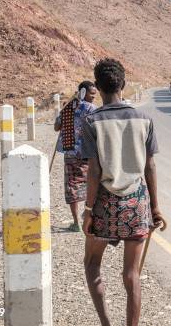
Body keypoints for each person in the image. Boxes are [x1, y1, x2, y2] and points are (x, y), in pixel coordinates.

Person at [80, 58, 164, 326]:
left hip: (104, 205)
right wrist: (155, 208)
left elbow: (93, 172)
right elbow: (150, 165)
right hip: (136, 205)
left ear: (98, 87)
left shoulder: (92, 121)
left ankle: (106, 323)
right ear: (123, 85)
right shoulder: (144, 119)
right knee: (132, 275)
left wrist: (88, 211)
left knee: (92, 265)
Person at [53, 81, 98, 232]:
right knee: (91, 183)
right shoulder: (92, 109)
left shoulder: (68, 107)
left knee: (72, 186)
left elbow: (56, 127)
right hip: (88, 153)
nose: (94, 97)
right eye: (92, 94)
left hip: (71, 152)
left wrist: (66, 112)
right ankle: (90, 218)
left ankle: (75, 223)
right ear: (84, 92)